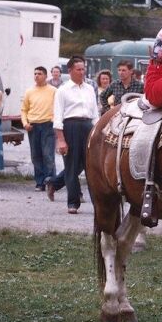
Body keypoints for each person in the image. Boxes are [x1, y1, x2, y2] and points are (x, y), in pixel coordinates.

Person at [45, 56, 99, 214]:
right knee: (72, 166)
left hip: (88, 126)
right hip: (70, 127)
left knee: (90, 166)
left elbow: (95, 113)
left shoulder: (89, 88)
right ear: (70, 71)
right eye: (79, 69)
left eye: (84, 69)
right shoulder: (62, 90)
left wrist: (96, 132)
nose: (82, 72)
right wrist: (61, 140)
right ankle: (73, 203)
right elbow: (57, 117)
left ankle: (97, 202)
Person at [21, 66, 56, 191]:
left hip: (48, 124)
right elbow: (24, 109)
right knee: (36, 155)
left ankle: (51, 181)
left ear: (46, 76)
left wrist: (55, 120)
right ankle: (40, 182)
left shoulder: (53, 91)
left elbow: (58, 107)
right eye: (35, 73)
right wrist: (25, 123)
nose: (36, 76)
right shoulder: (29, 91)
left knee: (48, 155)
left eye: (39, 73)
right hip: (33, 126)